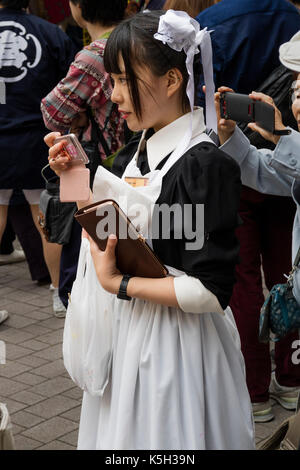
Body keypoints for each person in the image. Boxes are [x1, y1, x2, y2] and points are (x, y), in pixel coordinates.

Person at [45, 9, 255, 450]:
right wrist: (71, 172)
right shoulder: (132, 155)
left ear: (172, 80)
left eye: (124, 80)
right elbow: (107, 222)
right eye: (113, 80)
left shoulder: (204, 166)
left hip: (178, 351)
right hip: (128, 339)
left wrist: (118, 283)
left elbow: (209, 291)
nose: (115, 95)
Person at [195, 0, 300, 422]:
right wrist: (245, 137)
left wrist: (279, 137)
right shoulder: (292, 17)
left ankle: (254, 389)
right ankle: (291, 379)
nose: (296, 94)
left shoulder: (214, 23)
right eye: (295, 85)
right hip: (274, 170)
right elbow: (268, 173)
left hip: (241, 183)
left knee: (243, 280)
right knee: (285, 271)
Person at [41, 0, 127, 308]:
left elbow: (51, 113)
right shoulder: (137, 35)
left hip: (99, 163)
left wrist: (79, 114)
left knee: (87, 241)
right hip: (132, 158)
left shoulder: (94, 54)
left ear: (78, 6)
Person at [0, 0, 77, 316]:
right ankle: (59, 293)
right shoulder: (51, 34)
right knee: (44, 212)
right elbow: (68, 90)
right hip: (37, 136)